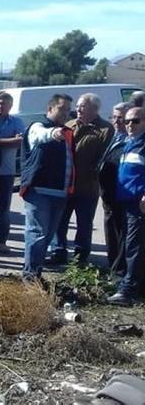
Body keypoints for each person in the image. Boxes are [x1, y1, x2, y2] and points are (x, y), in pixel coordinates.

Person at [49, 93, 114, 266]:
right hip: (66, 184)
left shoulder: (105, 129)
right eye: (77, 106)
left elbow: (104, 158)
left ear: (95, 108)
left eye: (82, 106)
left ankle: (80, 256)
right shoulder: (69, 125)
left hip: (88, 187)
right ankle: (58, 251)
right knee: (60, 221)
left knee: (84, 224)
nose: (77, 109)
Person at [20, 94, 74, 282]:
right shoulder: (39, 126)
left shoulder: (66, 131)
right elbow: (41, 135)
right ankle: (30, 278)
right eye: (62, 108)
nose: (66, 113)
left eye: (68, 109)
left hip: (61, 192)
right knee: (37, 234)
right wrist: (53, 134)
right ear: (50, 109)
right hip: (39, 191)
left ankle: (36, 273)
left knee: (48, 236)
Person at [108, 106, 145, 306]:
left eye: (136, 121)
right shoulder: (129, 143)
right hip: (125, 202)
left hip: (139, 204)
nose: (130, 124)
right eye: (127, 121)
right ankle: (133, 286)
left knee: (135, 247)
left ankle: (128, 291)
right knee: (130, 245)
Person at [0, 91, 26, 254]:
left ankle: (0, 242)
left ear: (10, 106)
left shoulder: (17, 122)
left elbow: (20, 142)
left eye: (2, 104)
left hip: (6, 170)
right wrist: (8, 141)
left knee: (3, 209)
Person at [100, 103, 130, 274]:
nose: (117, 121)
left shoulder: (133, 140)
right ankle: (113, 268)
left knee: (122, 235)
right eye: (114, 117)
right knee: (111, 233)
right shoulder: (114, 136)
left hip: (123, 196)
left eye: (121, 118)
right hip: (108, 197)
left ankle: (120, 272)